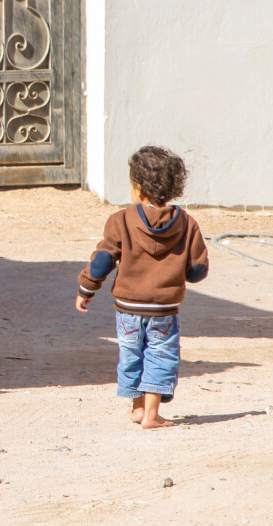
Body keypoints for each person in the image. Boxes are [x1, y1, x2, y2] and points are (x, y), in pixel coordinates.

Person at [75, 146, 209, 429]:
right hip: (163, 309)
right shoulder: (187, 223)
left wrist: (86, 290)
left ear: (137, 186)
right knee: (160, 356)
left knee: (131, 354)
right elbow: (197, 271)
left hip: (127, 308)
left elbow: (102, 261)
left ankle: (137, 409)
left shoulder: (121, 220)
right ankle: (151, 414)